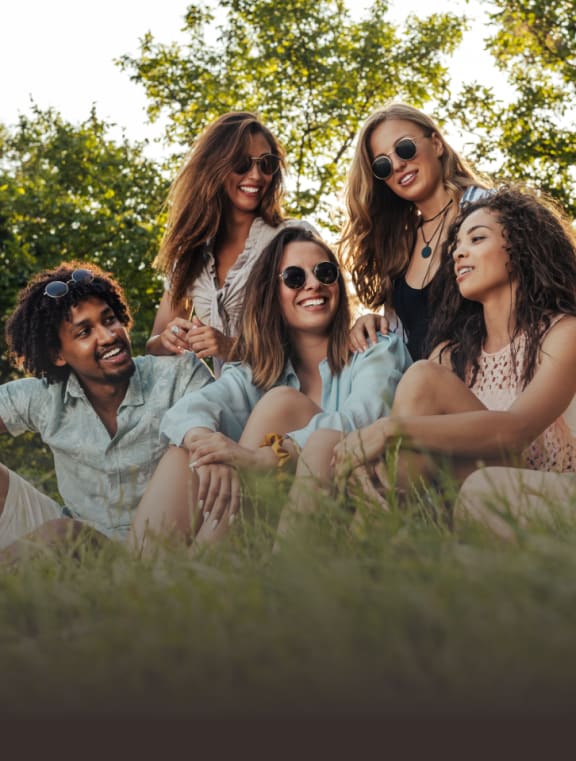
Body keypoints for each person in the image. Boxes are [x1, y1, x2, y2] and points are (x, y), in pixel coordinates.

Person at [130, 227, 412, 551]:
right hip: (271, 514)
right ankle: (145, 575)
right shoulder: (257, 370)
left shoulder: (374, 347)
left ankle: (208, 564)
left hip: (348, 503)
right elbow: (190, 410)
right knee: (189, 451)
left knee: (282, 403)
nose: (313, 284)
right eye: (294, 277)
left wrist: (263, 457)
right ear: (271, 292)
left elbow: (363, 418)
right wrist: (206, 446)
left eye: (325, 272)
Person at [332, 186, 576, 513]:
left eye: (477, 239)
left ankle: (375, 537)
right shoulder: (451, 354)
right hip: (462, 493)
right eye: (456, 246)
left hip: (540, 496)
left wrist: (389, 430)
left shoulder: (563, 333)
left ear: (521, 247)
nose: (459, 253)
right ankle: (377, 531)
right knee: (417, 386)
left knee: (424, 382)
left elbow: (517, 431)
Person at [0, 262, 213, 552]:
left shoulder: (178, 375)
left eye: (109, 320)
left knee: (62, 534)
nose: (108, 335)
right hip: (85, 547)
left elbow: (224, 451)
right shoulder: (42, 398)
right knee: (64, 533)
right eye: (84, 332)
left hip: (163, 546)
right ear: (58, 355)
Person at [146, 111, 315, 375]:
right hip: (230, 403)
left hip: (295, 396)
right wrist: (168, 340)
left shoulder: (293, 237)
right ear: (215, 166)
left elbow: (318, 334)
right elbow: (154, 343)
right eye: (241, 163)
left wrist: (232, 348)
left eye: (266, 164)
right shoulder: (190, 254)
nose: (256, 175)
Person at [340, 102, 491, 361]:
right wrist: (374, 325)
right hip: (419, 391)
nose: (398, 165)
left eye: (404, 148)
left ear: (436, 144)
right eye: (383, 165)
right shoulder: (400, 248)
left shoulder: (490, 210)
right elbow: (405, 342)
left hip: (488, 382)